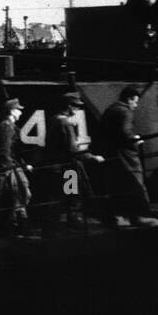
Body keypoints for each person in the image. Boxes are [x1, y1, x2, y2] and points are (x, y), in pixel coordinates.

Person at [99, 85, 152, 225]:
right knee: (135, 185)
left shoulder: (109, 110)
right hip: (126, 156)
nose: (135, 105)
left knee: (117, 187)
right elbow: (125, 132)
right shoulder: (125, 111)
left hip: (111, 155)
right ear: (129, 99)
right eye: (135, 101)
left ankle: (116, 218)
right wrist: (136, 139)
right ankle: (137, 217)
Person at [51, 91, 102, 225]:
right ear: (69, 106)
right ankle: (73, 222)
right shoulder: (66, 123)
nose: (77, 109)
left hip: (57, 165)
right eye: (76, 106)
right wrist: (92, 157)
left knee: (62, 196)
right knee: (72, 195)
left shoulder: (54, 119)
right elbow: (72, 150)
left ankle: (58, 223)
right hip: (69, 168)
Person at [0, 98, 32, 238]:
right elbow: (5, 151)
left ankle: (20, 229)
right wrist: (11, 168)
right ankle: (16, 230)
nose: (21, 112)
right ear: (12, 111)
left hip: (13, 167)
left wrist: (22, 165)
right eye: (19, 110)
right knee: (17, 196)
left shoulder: (9, 126)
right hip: (9, 169)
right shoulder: (6, 126)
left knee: (19, 197)